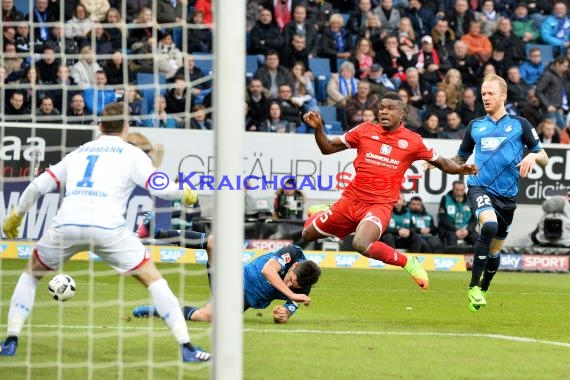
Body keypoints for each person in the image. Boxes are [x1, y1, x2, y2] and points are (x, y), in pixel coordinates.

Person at [0, 102, 210, 362]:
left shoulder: (79, 152)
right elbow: (161, 188)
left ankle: (10, 340)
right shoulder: (132, 154)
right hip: (108, 227)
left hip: (67, 224)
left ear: (100, 125)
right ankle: (186, 347)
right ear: (126, 126)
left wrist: (16, 216)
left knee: (31, 275)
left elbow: (37, 185)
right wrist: (185, 193)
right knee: (154, 280)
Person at [300, 92, 478, 290]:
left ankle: (408, 263)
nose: (383, 111)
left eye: (389, 108)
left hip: (378, 206)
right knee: (306, 234)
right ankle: (325, 211)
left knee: (360, 243)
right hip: (350, 200)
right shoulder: (364, 130)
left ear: (402, 114)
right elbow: (327, 148)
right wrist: (319, 129)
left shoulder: (413, 141)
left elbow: (443, 163)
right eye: (381, 108)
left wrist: (461, 169)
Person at [452, 74, 549, 311]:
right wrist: (434, 162)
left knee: (495, 251)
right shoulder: (475, 126)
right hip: (479, 186)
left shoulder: (520, 125)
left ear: (503, 96)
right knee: (489, 226)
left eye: (490, 93)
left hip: (507, 198)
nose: (485, 97)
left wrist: (532, 155)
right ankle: (473, 286)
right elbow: (459, 159)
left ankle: (484, 286)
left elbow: (544, 158)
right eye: (483, 93)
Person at [132, 243, 321, 324]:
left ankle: (157, 310)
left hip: (244, 300)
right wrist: (292, 294)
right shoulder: (293, 253)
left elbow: (286, 314)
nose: (289, 286)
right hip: (238, 276)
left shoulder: (303, 288)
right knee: (213, 245)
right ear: (294, 266)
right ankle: (162, 232)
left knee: (203, 316)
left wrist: (282, 315)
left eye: (293, 287)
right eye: (290, 279)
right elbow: (267, 270)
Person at [437, 180, 479, 250]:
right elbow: (442, 218)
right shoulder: (445, 199)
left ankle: (475, 259)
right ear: (453, 188)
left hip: (466, 229)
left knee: (478, 240)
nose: (459, 193)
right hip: (451, 229)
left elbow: (474, 219)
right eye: (457, 190)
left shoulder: (470, 200)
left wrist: (468, 230)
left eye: (461, 190)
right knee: (451, 238)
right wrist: (455, 229)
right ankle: (454, 259)